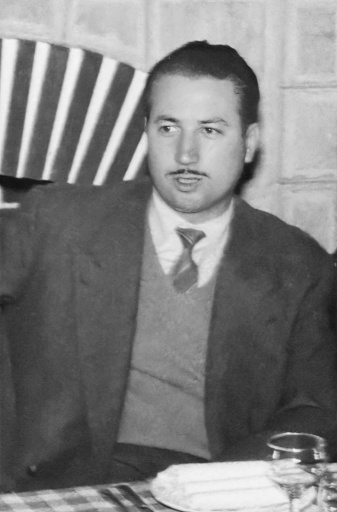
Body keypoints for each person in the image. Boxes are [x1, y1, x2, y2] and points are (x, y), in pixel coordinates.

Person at [1, 40, 336, 493]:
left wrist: (221, 485)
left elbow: (314, 409)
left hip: (214, 488)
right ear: (146, 134)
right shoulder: (56, 222)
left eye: (211, 131)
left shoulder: (297, 264)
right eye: (168, 128)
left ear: (250, 143)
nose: (185, 155)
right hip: (66, 487)